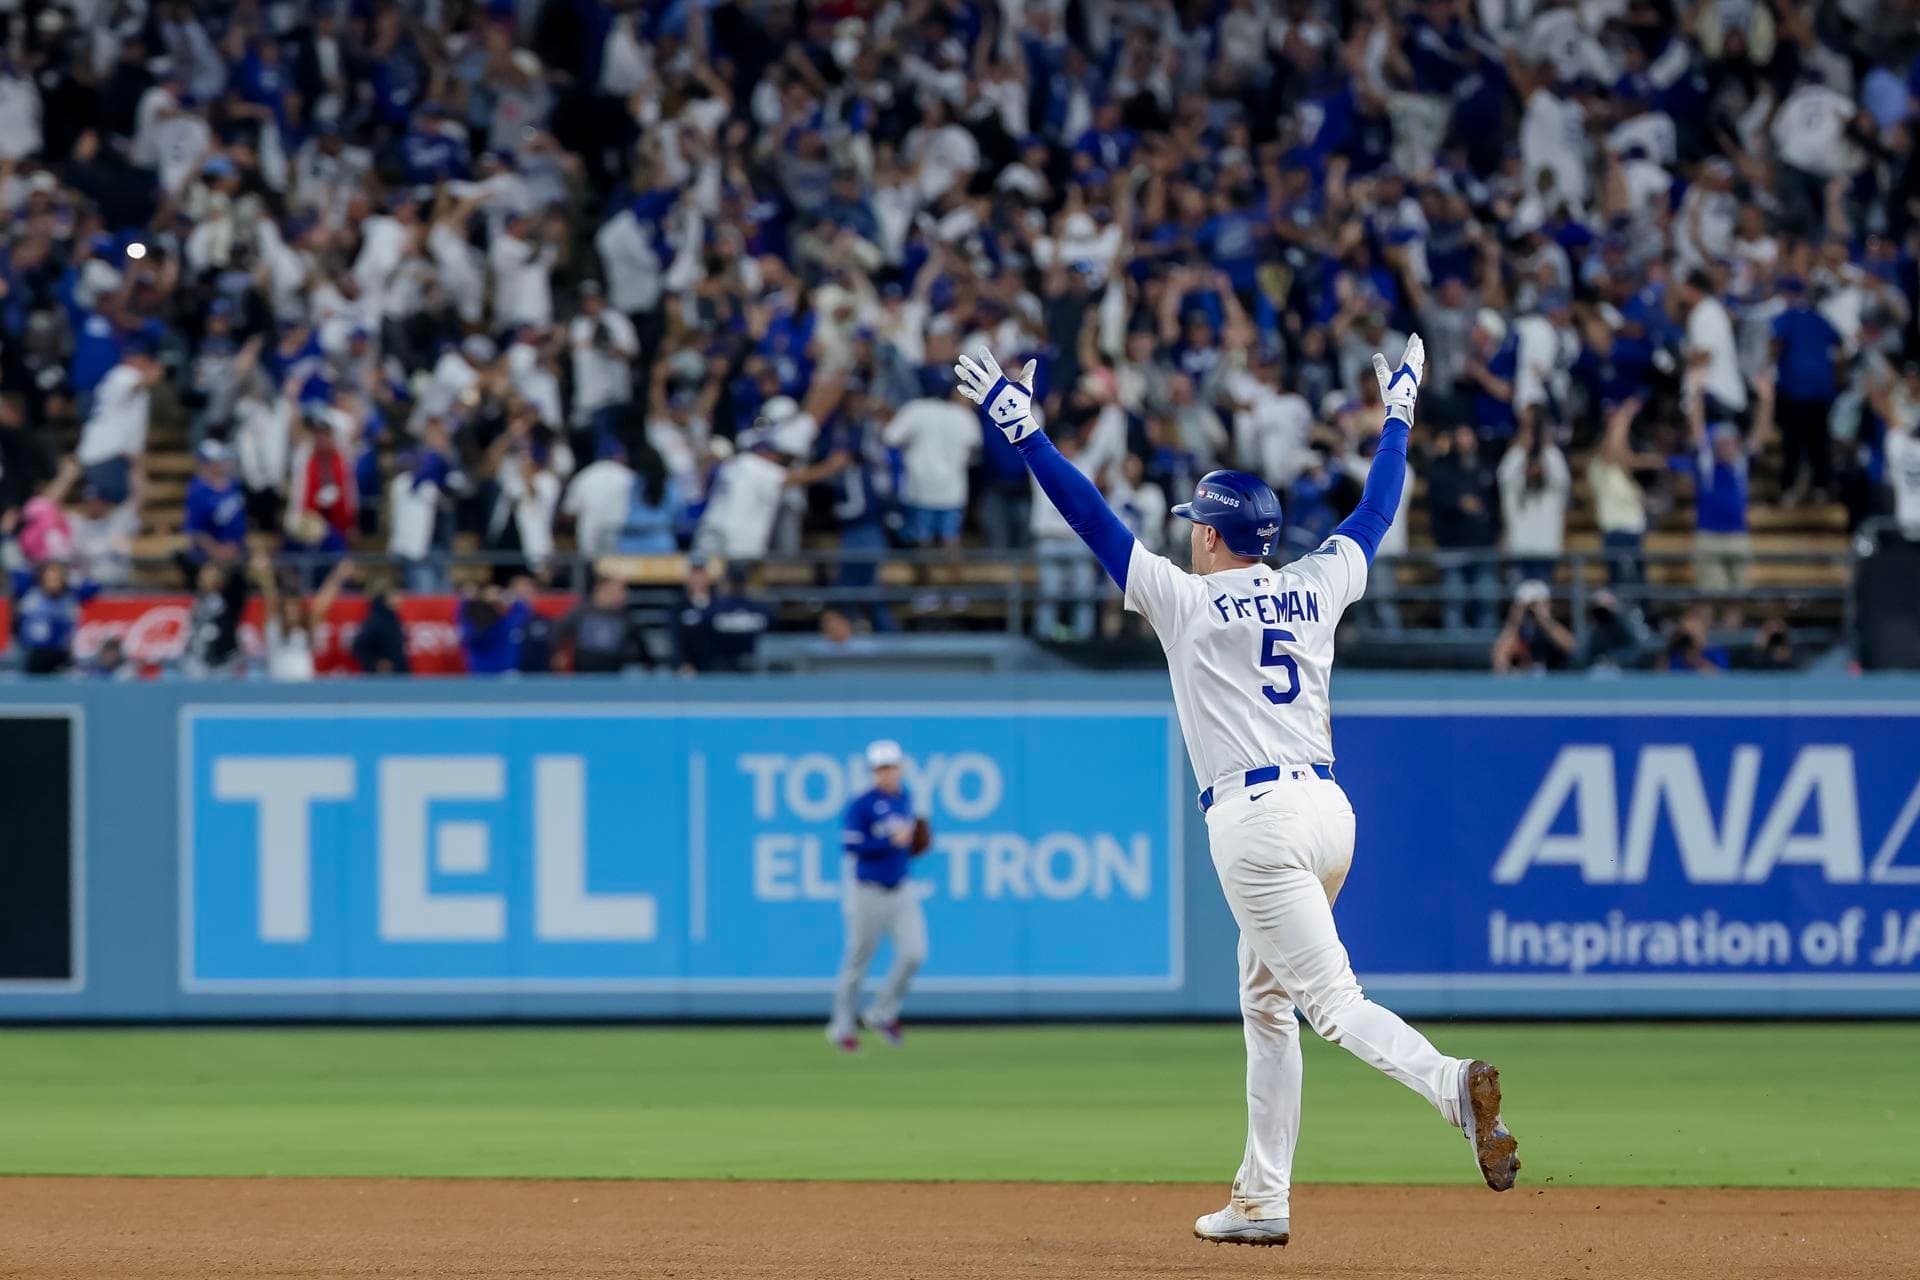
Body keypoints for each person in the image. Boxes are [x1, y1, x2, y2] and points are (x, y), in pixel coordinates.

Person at [956, 336, 1518, 1248]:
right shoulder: (1314, 582)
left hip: (1256, 825)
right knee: (1266, 1001)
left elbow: (1090, 517)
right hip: (1330, 816)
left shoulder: (1185, 600)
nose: (1185, 532)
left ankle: (1450, 1085)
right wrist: (1400, 415)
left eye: (1192, 523)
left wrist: (1023, 432)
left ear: (1209, 533)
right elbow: (1376, 510)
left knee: (1329, 1003)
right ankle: (1262, 1198)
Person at [827, 739, 930, 1052]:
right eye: (881, 767)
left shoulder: (906, 798)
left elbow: (908, 846)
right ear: (873, 771)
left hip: (900, 890)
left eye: (892, 766)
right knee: (858, 961)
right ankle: (842, 1027)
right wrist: (890, 842)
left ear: (900, 768)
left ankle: (882, 1013)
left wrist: (912, 844)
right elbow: (851, 847)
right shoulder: (862, 805)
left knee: (915, 953)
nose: (887, 772)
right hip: (867, 892)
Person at [251, 553, 353, 681]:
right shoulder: (274, 628)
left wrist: (338, 576)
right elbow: (270, 597)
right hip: (277, 688)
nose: (292, 612)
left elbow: (322, 604)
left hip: (305, 687)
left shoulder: (306, 630)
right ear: (282, 610)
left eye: (295, 608)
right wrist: (264, 576)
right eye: (288, 609)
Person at [559, 577, 646, 673]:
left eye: (622, 591)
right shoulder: (581, 612)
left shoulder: (624, 617)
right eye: (615, 591)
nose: (621, 595)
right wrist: (558, 653)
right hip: (584, 673)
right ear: (601, 589)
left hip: (613, 673)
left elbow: (640, 644)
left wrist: (649, 666)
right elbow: (559, 631)